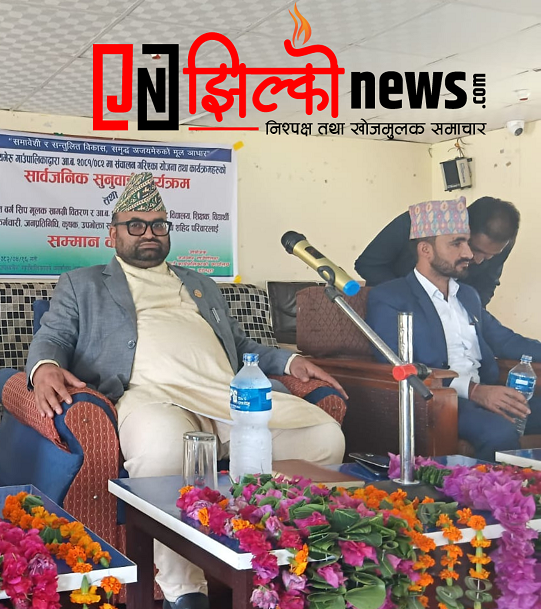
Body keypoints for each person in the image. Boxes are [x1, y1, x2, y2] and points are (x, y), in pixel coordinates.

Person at [27, 172, 346, 609]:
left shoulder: (201, 284)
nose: (149, 233)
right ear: (113, 234)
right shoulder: (82, 283)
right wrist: (45, 367)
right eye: (136, 225)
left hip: (225, 396)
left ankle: (267, 559)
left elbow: (240, 344)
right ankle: (185, 590)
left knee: (324, 437)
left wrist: (290, 362)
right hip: (152, 396)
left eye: (158, 225)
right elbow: (53, 336)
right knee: (162, 446)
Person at [366, 198, 541, 461]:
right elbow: (398, 364)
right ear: (426, 249)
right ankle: (486, 488)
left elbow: (505, 340)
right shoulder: (390, 297)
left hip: (488, 389)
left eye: (467, 243)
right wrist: (474, 391)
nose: (469, 254)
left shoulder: (468, 296)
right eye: (456, 243)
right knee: (499, 432)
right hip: (441, 400)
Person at [355, 196, 519, 306]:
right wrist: (411, 295)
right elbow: (368, 265)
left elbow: (486, 285)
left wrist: (465, 312)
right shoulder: (416, 224)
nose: (477, 259)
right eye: (475, 249)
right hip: (395, 307)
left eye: (490, 256)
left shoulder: (499, 245)